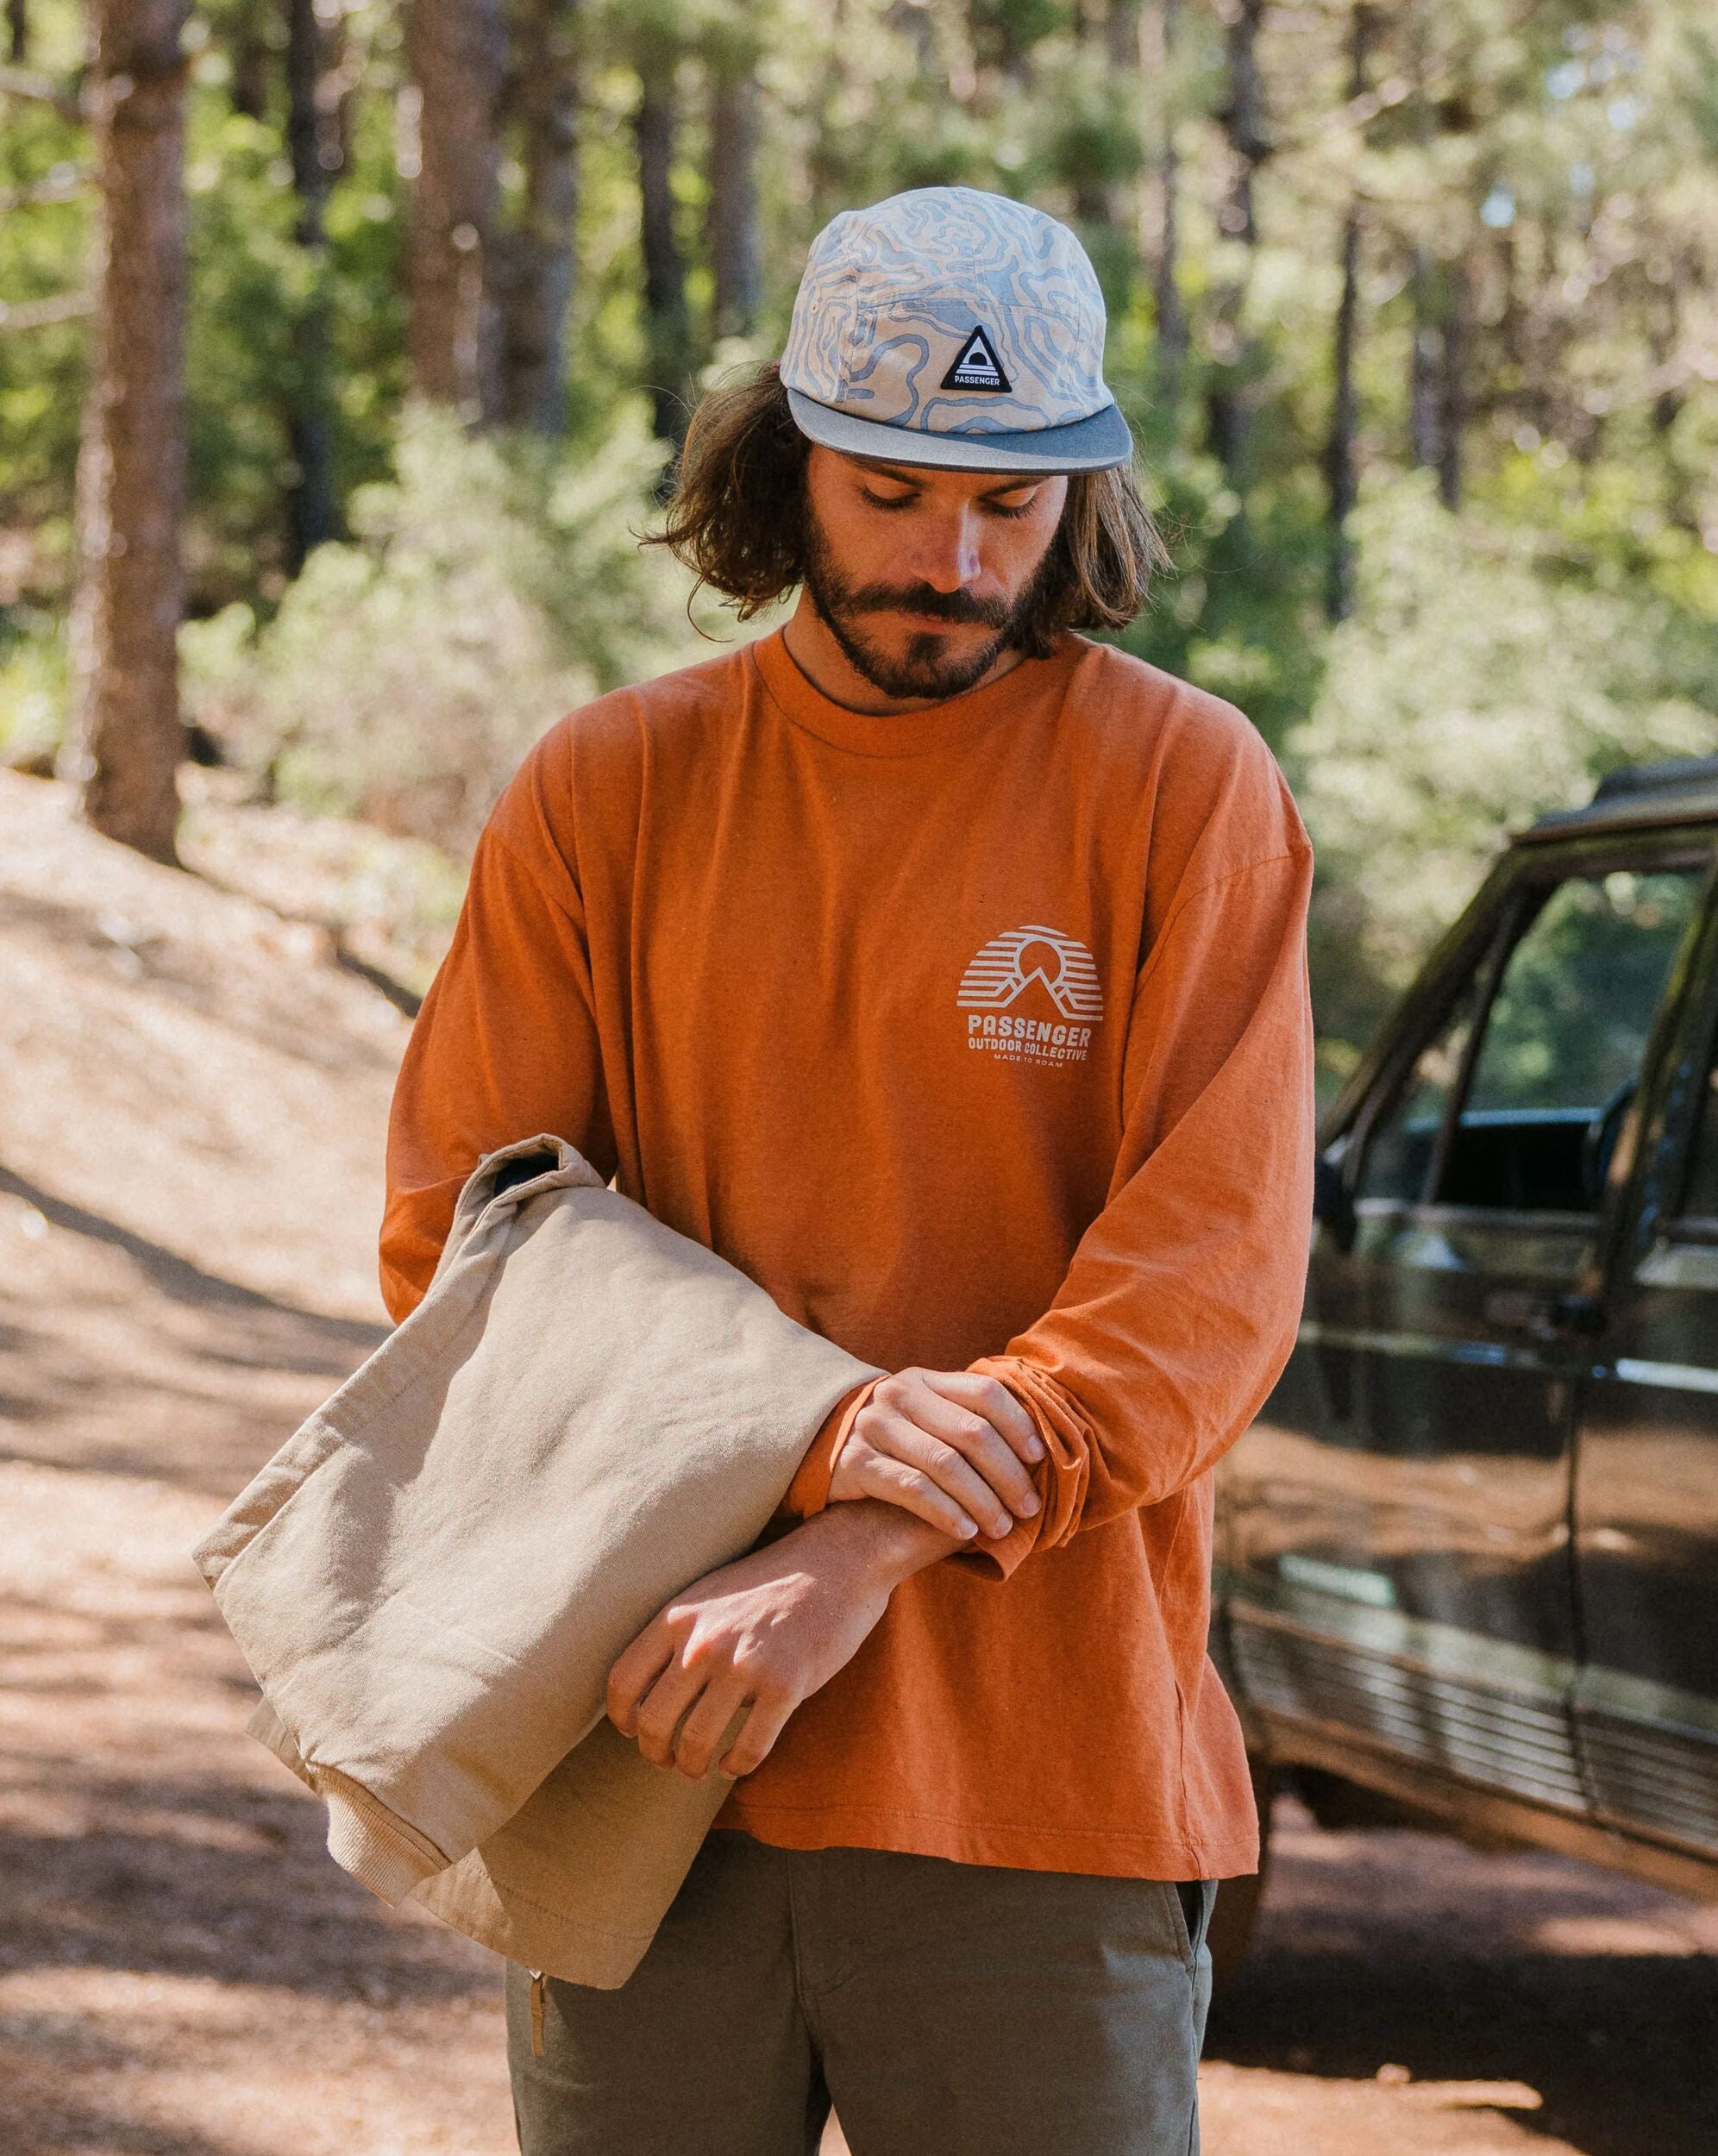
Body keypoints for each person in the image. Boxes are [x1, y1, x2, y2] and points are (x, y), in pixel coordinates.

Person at [379, 185, 1315, 2156]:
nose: (951, 562)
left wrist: (858, 1545)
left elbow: (1206, 1284)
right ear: (786, 459)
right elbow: (464, 1240)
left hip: (1042, 1787)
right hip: (644, 1756)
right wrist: (821, 1436)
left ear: (1081, 496)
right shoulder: (607, 789)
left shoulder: (1186, 788)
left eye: (1008, 505)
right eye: (892, 493)